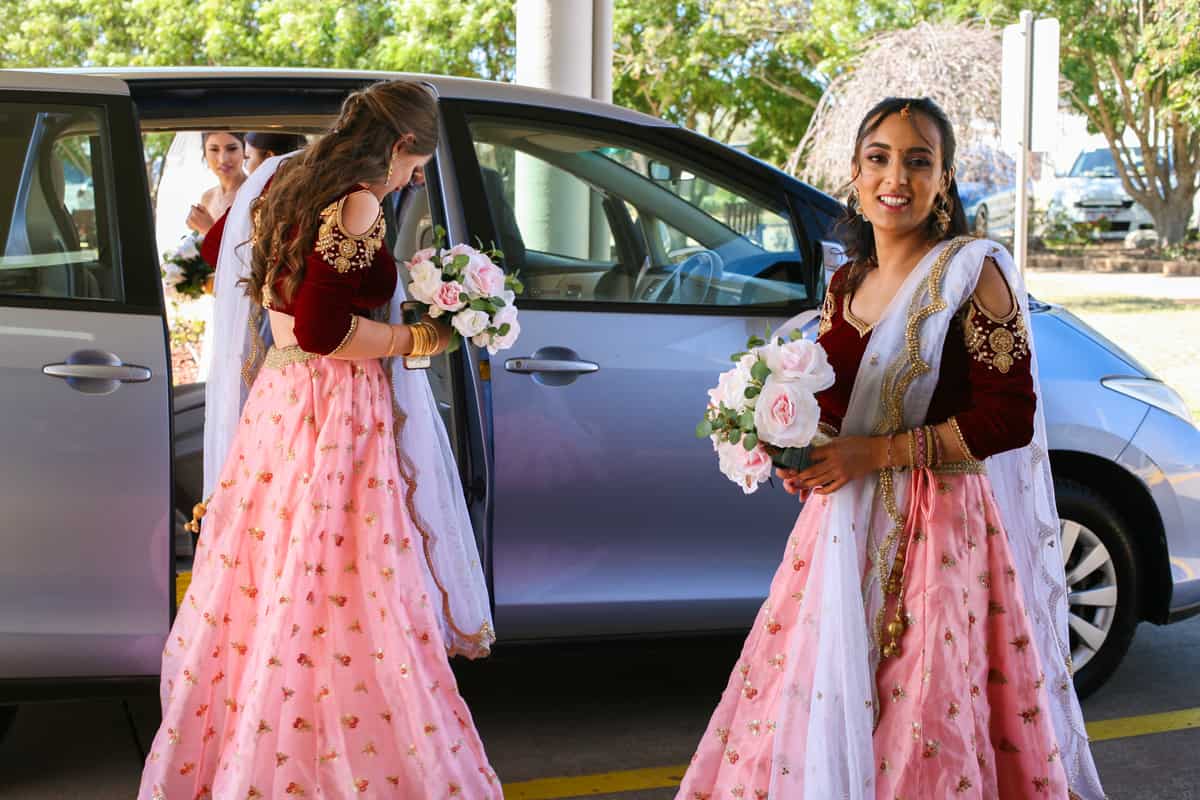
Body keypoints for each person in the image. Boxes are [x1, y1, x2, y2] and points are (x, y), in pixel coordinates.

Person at [675, 98, 1105, 800]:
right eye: (878, 158)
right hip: (840, 525)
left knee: (922, 715)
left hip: (940, 532)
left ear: (945, 179)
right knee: (816, 696)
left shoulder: (971, 271)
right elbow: (837, 408)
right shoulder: (847, 279)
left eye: (917, 160)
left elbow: (1010, 417)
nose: (894, 177)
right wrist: (798, 451)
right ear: (854, 172)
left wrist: (873, 455)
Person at [139, 80, 500, 800]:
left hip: (282, 403)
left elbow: (282, 316)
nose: (419, 174)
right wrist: (417, 335)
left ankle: (259, 751)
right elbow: (322, 329)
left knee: (275, 577)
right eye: (418, 158)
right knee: (345, 580)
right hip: (334, 409)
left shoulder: (293, 178)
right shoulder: (360, 201)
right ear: (399, 143)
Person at [187, 131, 246, 237]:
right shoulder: (207, 197)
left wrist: (209, 231)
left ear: (245, 150)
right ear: (205, 153)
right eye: (214, 149)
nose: (223, 159)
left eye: (232, 149)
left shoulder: (256, 192)